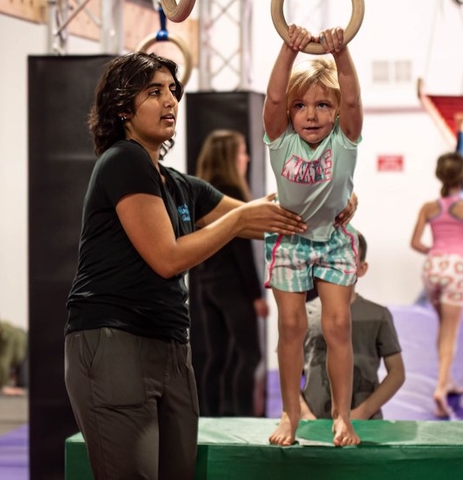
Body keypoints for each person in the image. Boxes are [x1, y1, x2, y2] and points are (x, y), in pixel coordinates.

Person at [64, 52, 346, 480]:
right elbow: (167, 258)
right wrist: (238, 221)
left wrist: (338, 197)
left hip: (171, 346)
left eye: (172, 91)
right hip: (113, 340)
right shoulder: (123, 160)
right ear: (122, 109)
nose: (170, 101)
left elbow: (274, 215)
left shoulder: (178, 184)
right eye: (154, 92)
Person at [264, 25, 363, 448]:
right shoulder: (281, 140)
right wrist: (289, 50)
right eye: (301, 105)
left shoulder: (344, 139)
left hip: (334, 239)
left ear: (337, 112)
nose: (311, 114)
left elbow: (353, 99)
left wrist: (341, 55)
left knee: (338, 325)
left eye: (323, 105)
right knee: (291, 325)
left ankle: (342, 416)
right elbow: (273, 99)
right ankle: (290, 413)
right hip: (291, 239)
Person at [190, 129, 268, 417]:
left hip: (207, 286)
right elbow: (241, 251)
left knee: (219, 356)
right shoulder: (229, 196)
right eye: (242, 152)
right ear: (229, 158)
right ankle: (243, 417)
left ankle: (209, 417)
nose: (246, 158)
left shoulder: (202, 194)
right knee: (250, 355)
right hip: (232, 287)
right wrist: (256, 295)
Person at [299, 232, 405, 422]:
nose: (338, 266)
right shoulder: (305, 314)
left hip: (365, 424)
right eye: (331, 258)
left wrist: (364, 411)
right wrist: (303, 412)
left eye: (347, 259)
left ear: (361, 268)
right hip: (313, 421)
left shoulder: (378, 315)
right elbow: (288, 369)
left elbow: (397, 372)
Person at [410, 152, 463, 418]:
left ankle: (447, 378)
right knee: (450, 331)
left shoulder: (428, 207)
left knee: (443, 326)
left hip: (433, 268)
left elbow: (415, 243)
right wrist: (462, 256)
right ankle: (441, 388)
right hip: (457, 268)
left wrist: (435, 252)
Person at [414, 112, 463, 306]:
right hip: (457, 262)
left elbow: (415, 242)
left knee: (427, 299)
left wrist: (436, 251)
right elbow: (460, 169)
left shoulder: (433, 206)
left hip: (437, 262)